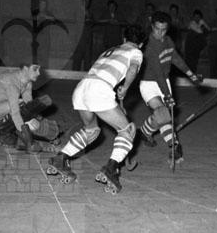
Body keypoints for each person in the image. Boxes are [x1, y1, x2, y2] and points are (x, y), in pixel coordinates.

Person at [47, 24, 147, 192]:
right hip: (99, 89)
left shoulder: (110, 50)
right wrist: (125, 88)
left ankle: (60, 158)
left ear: (124, 39)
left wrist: (115, 98)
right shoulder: (136, 52)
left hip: (82, 88)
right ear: (141, 44)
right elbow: (133, 69)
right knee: (128, 130)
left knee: (92, 130)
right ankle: (111, 168)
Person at [138, 11, 203, 164]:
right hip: (149, 84)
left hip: (164, 81)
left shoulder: (168, 41)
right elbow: (158, 74)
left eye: (163, 30)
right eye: (157, 29)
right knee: (163, 113)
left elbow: (176, 58)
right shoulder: (150, 47)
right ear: (152, 27)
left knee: (163, 116)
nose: (160, 33)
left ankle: (145, 132)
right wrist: (167, 95)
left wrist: (191, 74)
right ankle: (174, 146)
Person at [0, 64, 58, 152]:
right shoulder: (12, 84)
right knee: (19, 106)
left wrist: (39, 122)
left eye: (39, 70)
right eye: (35, 69)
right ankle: (0, 129)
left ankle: (7, 130)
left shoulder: (28, 83)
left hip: (1, 106)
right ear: (25, 69)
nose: (38, 73)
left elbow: (30, 107)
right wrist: (29, 141)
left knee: (27, 111)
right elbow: (15, 112)